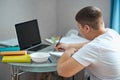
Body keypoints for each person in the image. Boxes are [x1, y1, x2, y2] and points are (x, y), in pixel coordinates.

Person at [55, 6, 120, 80]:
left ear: (86, 28)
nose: (79, 30)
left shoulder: (94, 47)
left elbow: (62, 71)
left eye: (79, 27)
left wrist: (67, 52)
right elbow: (90, 44)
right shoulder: (112, 33)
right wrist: (69, 46)